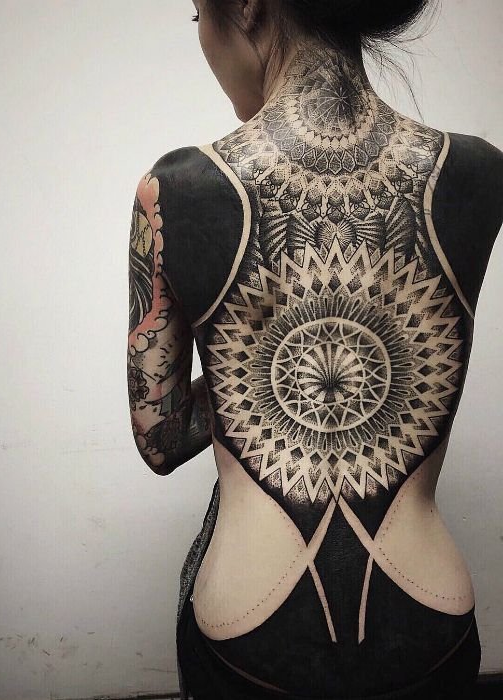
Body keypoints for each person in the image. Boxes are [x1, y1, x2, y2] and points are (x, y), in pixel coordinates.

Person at [127, 1, 503, 698]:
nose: (202, 38)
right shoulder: (477, 171)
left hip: (248, 628)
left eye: (196, 15)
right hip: (431, 621)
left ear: (245, 3)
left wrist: (253, 363)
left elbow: (161, 436)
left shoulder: (173, 190)